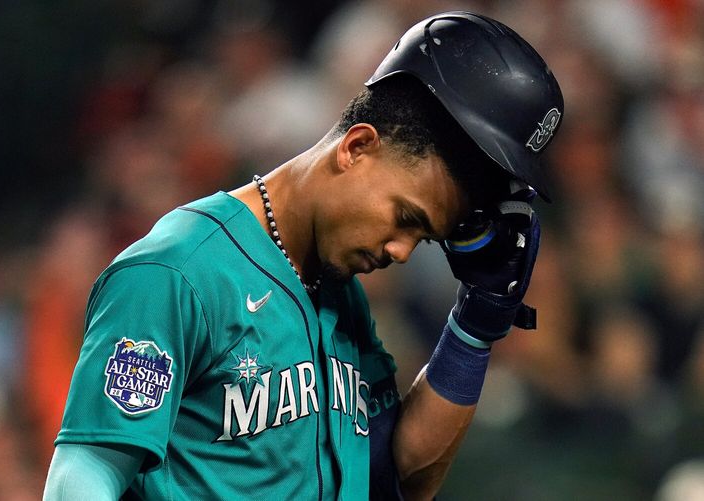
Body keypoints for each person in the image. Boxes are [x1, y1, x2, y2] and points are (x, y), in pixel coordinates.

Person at [43, 11, 563, 500]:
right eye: (406, 218)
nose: (402, 250)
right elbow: (83, 475)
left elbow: (398, 478)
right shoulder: (178, 272)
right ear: (356, 147)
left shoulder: (336, 291)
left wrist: (472, 329)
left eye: (424, 237)